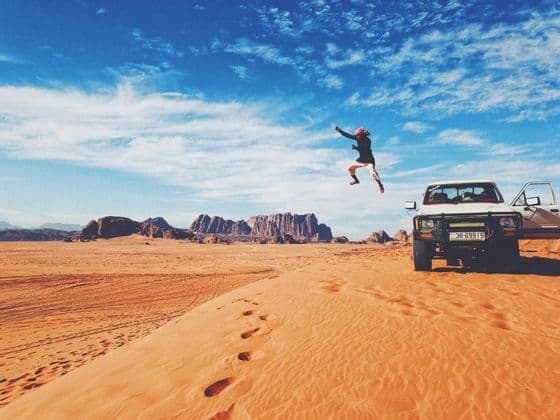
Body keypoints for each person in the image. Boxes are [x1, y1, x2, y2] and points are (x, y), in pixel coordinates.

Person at [335, 125, 384, 193]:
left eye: (358, 135)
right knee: (349, 168)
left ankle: (380, 184)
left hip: (369, 161)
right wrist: (340, 131)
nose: (357, 137)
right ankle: (356, 180)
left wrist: (356, 148)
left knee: (373, 173)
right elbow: (348, 136)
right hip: (361, 160)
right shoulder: (358, 138)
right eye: (356, 135)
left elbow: (365, 150)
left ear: (362, 135)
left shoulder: (368, 141)